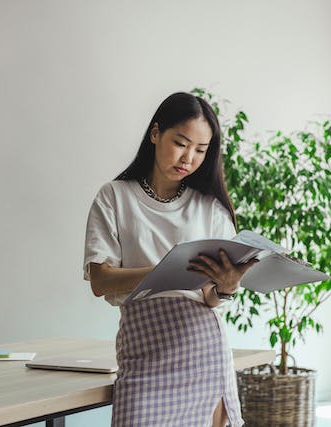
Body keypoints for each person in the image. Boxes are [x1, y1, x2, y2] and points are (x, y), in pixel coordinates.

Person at [83, 92, 257, 427]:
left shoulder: (210, 207)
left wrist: (227, 287)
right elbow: (101, 280)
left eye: (200, 150)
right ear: (155, 133)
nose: (189, 158)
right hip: (143, 351)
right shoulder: (115, 196)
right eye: (181, 143)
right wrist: (161, 271)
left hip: (204, 351)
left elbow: (209, 297)